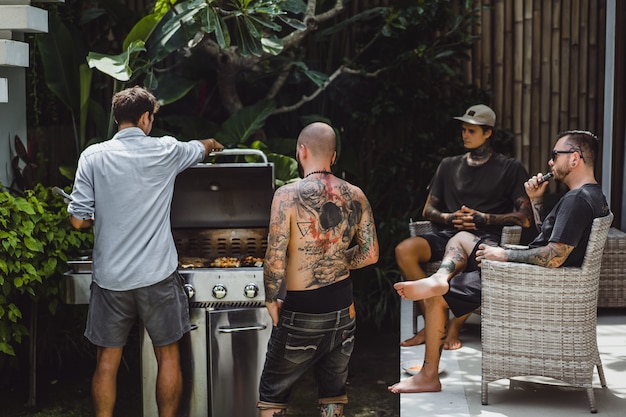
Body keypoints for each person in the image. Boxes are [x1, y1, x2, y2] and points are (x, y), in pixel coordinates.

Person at [389, 130, 609, 394]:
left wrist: (503, 255)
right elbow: (547, 241)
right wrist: (537, 200)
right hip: (537, 277)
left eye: (555, 155)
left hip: (527, 281)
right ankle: (440, 277)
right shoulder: (592, 195)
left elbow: (554, 256)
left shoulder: (577, 200)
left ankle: (428, 376)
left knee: (439, 297)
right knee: (461, 237)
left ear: (574, 158)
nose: (550, 163)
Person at [67, 86, 224, 417]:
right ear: (144, 118)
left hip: (110, 279)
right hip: (156, 276)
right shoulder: (166, 150)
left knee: (106, 363)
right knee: (167, 356)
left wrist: (104, 215)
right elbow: (202, 148)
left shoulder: (92, 157)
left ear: (116, 119)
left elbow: (78, 221)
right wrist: (212, 145)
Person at [257, 122, 379, 417]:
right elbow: (371, 253)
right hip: (342, 309)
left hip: (301, 309)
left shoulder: (286, 196)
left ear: (301, 151)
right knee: (333, 392)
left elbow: (274, 256)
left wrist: (271, 300)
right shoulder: (356, 195)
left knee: (273, 394)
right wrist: (335, 260)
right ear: (334, 156)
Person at [396, 104, 532, 348]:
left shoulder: (510, 168)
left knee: (469, 259)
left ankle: (453, 328)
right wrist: (449, 218)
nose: (465, 135)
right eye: (463, 130)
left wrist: (484, 218)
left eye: (471, 131)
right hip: (448, 233)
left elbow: (525, 217)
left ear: (488, 132)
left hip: (485, 239)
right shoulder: (449, 165)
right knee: (405, 249)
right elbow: (428, 210)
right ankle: (431, 323)